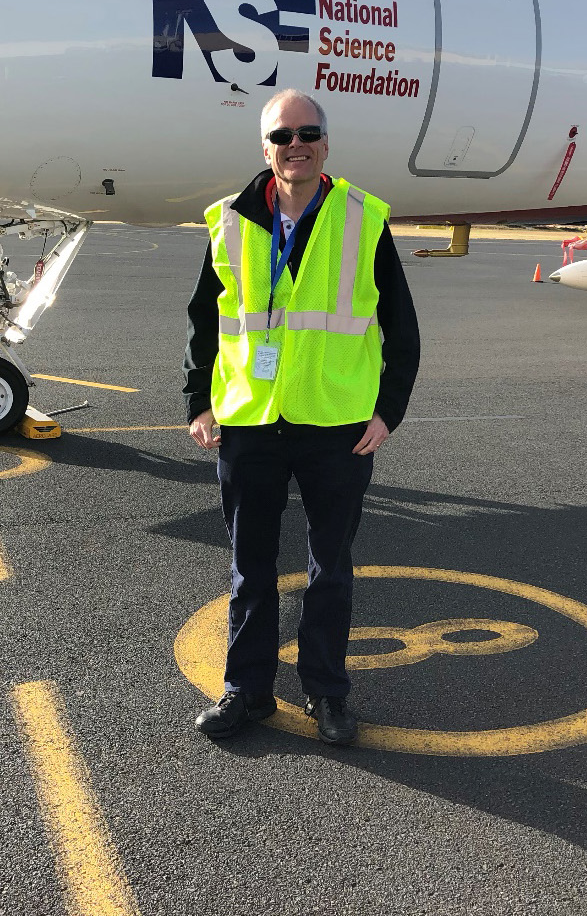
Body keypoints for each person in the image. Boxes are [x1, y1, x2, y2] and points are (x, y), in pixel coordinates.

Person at [183, 89, 420, 745]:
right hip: (250, 422)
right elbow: (205, 318)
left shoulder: (361, 218)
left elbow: (400, 327)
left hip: (335, 424)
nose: (296, 144)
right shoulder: (227, 219)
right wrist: (197, 399)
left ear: (324, 143)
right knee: (249, 566)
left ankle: (325, 692)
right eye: (282, 135)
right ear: (266, 148)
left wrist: (387, 411)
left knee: (329, 570)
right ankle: (248, 690)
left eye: (308, 132)